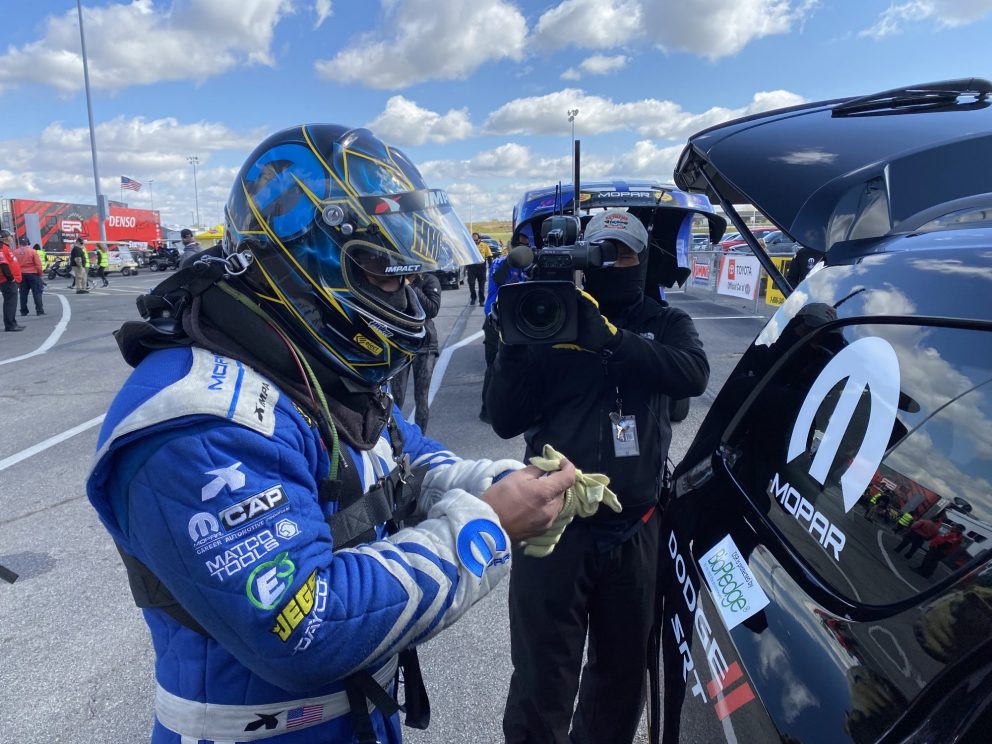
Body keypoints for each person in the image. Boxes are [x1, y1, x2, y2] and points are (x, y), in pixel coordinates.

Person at [84, 123, 575, 744]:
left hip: (360, 717)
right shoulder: (196, 421)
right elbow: (304, 626)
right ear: (314, 258)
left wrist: (501, 480)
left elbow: (404, 457)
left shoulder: (306, 365)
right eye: (390, 274)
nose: (409, 297)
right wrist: (487, 525)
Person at [488, 209, 710, 743]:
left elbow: (693, 374)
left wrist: (609, 337)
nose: (611, 262)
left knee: (622, 673)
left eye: (622, 252)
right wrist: (515, 345)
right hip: (553, 524)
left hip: (636, 525)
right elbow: (503, 419)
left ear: (642, 260)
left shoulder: (665, 321)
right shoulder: (549, 318)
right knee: (543, 677)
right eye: (601, 252)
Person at [479, 233, 531, 424]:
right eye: (520, 246)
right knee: (493, 366)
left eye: (527, 246)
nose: (524, 250)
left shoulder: (529, 265)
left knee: (520, 365)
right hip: (496, 319)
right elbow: (499, 277)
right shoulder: (500, 263)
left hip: (519, 320)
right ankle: (486, 411)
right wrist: (512, 259)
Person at [391, 271, 442, 432]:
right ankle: (395, 438)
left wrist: (410, 286)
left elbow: (432, 309)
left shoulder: (429, 280)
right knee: (396, 397)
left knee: (421, 397)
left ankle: (421, 437)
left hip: (425, 345)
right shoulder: (395, 280)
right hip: (401, 344)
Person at [14, 236, 45, 315]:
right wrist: (40, 274)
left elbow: (14, 264)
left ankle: (23, 311)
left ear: (20, 243)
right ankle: (39, 310)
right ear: (28, 242)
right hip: (33, 274)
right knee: (37, 292)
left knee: (23, 293)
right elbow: (38, 264)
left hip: (21, 274)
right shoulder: (33, 251)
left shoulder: (15, 252)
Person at [0, 230, 25, 331]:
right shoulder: (2, 248)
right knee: (10, 303)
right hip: (7, 281)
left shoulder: (6, 248)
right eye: (10, 236)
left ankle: (13, 322)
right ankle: (10, 325)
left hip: (10, 280)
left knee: (12, 303)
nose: (12, 238)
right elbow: (3, 265)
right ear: (5, 237)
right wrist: (11, 278)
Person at [466, 232, 491, 306]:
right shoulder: (470, 246)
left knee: (481, 285)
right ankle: (473, 298)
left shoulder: (484, 245)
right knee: (471, 283)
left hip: (481, 267)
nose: (474, 237)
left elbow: (489, 256)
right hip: (472, 267)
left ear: (478, 237)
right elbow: (466, 255)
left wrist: (490, 265)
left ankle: (481, 300)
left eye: (475, 236)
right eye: (473, 236)